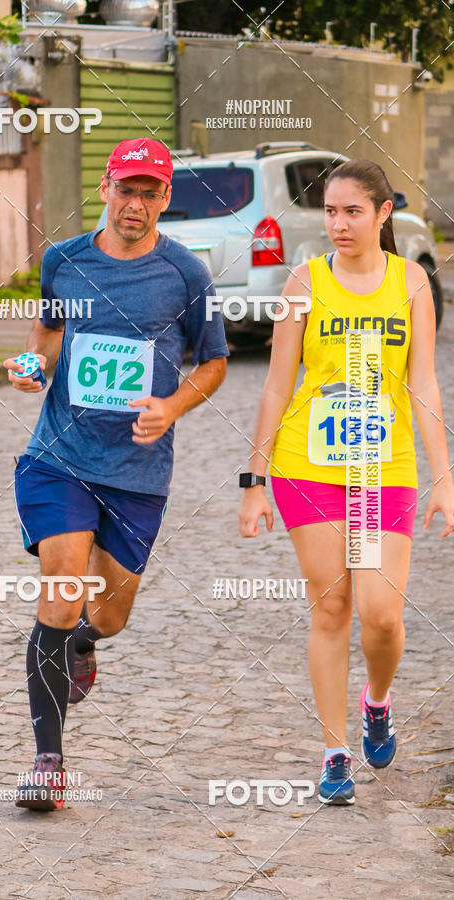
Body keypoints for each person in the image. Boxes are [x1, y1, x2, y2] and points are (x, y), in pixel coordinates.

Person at [3, 137, 229, 810]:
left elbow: (214, 363)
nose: (135, 204)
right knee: (62, 579)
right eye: (125, 189)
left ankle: (84, 643)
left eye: (150, 192)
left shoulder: (187, 274)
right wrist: (33, 366)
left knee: (111, 611)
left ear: (165, 198)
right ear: (105, 187)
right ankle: (48, 762)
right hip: (60, 458)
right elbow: (47, 333)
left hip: (137, 472)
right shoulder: (63, 260)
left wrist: (171, 406)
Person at [238, 158, 454, 805]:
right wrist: (254, 477)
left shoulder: (411, 282)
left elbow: (422, 385)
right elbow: (277, 383)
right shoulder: (303, 283)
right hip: (309, 466)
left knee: (381, 616)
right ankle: (335, 752)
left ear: (383, 213)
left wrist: (442, 476)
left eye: (352, 211)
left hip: (381, 468)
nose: (338, 224)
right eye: (330, 211)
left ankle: (377, 702)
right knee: (331, 606)